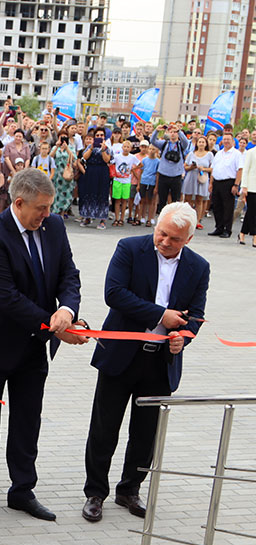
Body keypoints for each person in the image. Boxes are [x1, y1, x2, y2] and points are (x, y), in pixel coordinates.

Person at [0, 168, 84, 522]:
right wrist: (54, 327)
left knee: (27, 420)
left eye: (49, 208)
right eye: (41, 208)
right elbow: (6, 298)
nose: (47, 214)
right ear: (19, 203)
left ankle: (22, 490)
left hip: (33, 346)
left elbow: (69, 274)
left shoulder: (54, 226)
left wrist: (67, 308)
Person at [82, 203, 209, 522]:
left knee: (146, 433)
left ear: (189, 239)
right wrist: (159, 315)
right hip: (121, 356)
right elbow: (114, 294)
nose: (165, 242)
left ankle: (130, 489)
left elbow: (196, 314)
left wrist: (184, 336)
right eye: (161, 233)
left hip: (160, 362)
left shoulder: (199, 267)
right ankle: (95, 492)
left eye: (174, 239)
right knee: (104, 428)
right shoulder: (129, 248)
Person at [207, 128, 244, 239]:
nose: (226, 141)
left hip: (229, 182)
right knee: (217, 206)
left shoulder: (236, 154)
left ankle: (227, 230)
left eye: (228, 139)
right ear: (222, 141)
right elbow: (213, 169)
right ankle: (219, 227)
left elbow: (240, 170)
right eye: (224, 139)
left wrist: (236, 185)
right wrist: (211, 183)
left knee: (227, 207)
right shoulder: (218, 153)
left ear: (233, 141)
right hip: (217, 182)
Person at [149, 122, 191, 207]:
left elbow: (186, 142)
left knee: (176, 200)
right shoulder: (164, 143)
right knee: (162, 200)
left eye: (175, 132)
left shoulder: (181, 145)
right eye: (171, 132)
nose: (173, 134)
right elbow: (153, 141)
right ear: (168, 133)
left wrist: (179, 131)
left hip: (176, 176)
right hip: (164, 175)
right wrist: (156, 130)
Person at [79, 127, 113, 229]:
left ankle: (102, 220)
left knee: (102, 194)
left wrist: (103, 150)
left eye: (101, 135)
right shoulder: (90, 146)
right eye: (97, 135)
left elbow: (107, 160)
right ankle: (87, 217)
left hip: (102, 172)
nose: (99, 137)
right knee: (89, 193)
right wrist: (91, 147)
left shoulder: (107, 148)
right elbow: (84, 157)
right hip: (91, 171)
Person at [111, 140, 136, 226]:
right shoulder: (117, 156)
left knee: (124, 200)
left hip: (126, 181)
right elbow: (111, 163)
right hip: (117, 180)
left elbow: (140, 164)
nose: (126, 148)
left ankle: (122, 219)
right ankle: (117, 218)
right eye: (124, 147)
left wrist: (132, 170)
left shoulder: (132, 157)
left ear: (131, 148)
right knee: (117, 200)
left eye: (128, 147)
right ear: (122, 148)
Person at [51, 135, 75, 217]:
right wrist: (56, 147)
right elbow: (50, 157)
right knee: (55, 194)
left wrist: (67, 148)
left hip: (65, 174)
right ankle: (54, 212)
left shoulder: (71, 148)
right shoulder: (55, 147)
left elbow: (74, 158)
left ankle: (62, 213)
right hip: (56, 174)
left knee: (65, 194)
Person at [240, 144, 256, 246]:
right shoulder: (251, 152)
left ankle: (242, 232)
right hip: (252, 187)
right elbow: (245, 170)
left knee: (251, 212)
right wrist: (244, 186)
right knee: (252, 211)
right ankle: (254, 236)